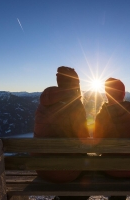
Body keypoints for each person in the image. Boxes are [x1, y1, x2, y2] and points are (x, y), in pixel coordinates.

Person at [34, 66, 89, 200]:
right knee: (88, 178)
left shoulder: (44, 103)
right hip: (65, 172)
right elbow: (84, 140)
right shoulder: (75, 105)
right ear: (75, 83)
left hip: (41, 168)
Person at [94, 78, 130, 200]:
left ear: (107, 94)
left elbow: (96, 145)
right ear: (123, 94)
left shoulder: (102, 116)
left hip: (109, 169)